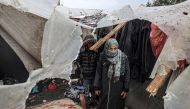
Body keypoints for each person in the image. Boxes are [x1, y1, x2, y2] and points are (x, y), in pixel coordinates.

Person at [94, 38, 130, 109]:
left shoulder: (123, 58)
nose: (113, 51)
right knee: (103, 104)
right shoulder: (103, 56)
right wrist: (96, 86)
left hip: (118, 88)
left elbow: (127, 74)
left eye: (115, 48)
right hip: (105, 87)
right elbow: (98, 72)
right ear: (107, 48)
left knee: (116, 105)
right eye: (111, 49)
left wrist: (125, 88)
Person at [74, 35, 99, 108]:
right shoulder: (82, 53)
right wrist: (81, 69)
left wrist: (96, 52)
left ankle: (93, 104)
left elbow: (99, 62)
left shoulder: (96, 53)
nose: (90, 44)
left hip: (94, 75)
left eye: (91, 43)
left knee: (93, 90)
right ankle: (87, 104)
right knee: (86, 91)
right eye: (89, 43)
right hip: (85, 76)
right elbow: (77, 61)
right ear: (86, 44)